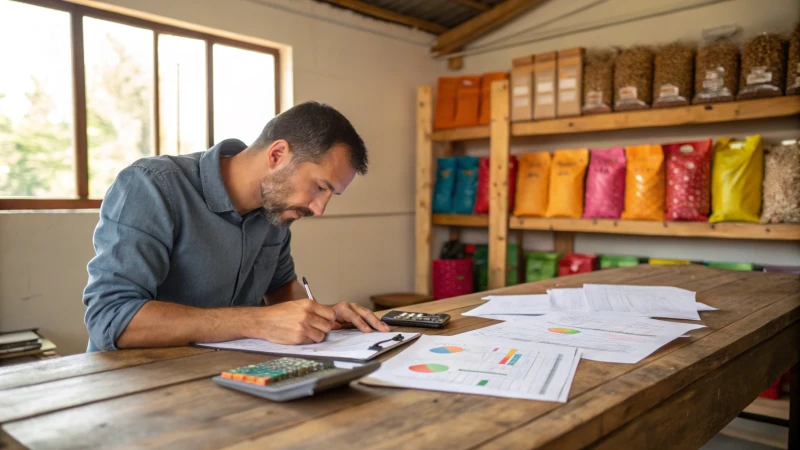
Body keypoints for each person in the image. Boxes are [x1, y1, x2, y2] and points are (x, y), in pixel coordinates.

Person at [83, 102, 390, 352]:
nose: (319, 208)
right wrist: (257, 321)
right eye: (319, 187)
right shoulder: (151, 186)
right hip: (133, 390)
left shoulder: (275, 209)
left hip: (224, 379)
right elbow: (111, 318)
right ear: (277, 154)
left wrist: (321, 315)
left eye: (330, 194)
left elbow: (280, 287)